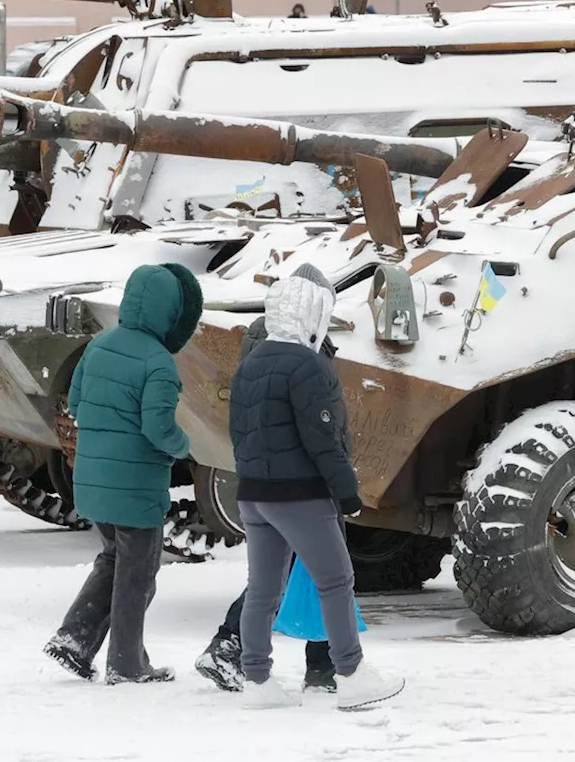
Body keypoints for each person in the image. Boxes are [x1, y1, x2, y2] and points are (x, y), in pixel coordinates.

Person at [228, 262, 405, 711]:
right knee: (336, 579)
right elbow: (323, 438)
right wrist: (347, 492)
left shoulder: (251, 363)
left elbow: (238, 429)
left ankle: (257, 681)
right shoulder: (308, 365)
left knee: (263, 588)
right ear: (313, 313)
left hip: (253, 494)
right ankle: (351, 672)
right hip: (300, 493)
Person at [42, 262, 203, 685]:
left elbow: (74, 402)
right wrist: (186, 446)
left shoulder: (98, 345)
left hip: (93, 481)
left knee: (115, 559)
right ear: (170, 313)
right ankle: (128, 665)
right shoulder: (159, 363)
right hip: (136, 488)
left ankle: (74, 639)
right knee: (138, 576)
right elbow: (158, 429)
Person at [194, 271, 342, 694]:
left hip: (266, 473)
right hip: (295, 477)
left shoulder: (262, 341)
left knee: (290, 571)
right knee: (304, 571)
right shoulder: (295, 347)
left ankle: (314, 663)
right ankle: (239, 650)